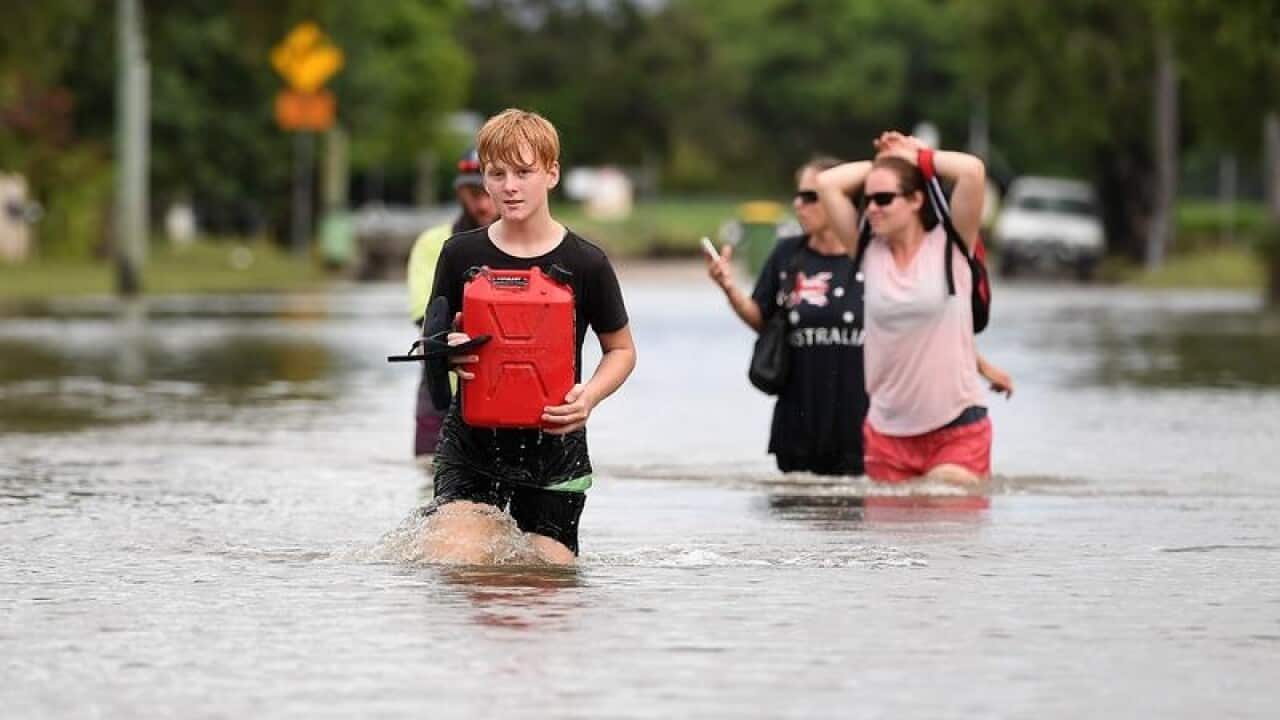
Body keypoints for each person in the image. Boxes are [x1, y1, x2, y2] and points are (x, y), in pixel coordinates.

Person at [423, 108, 637, 565]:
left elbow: (621, 350)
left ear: (552, 173)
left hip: (556, 456)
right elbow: (433, 342)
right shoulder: (459, 254)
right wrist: (449, 353)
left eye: (523, 172)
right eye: (496, 174)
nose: (509, 186)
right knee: (459, 565)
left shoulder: (587, 263)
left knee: (545, 585)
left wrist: (589, 397)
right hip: (470, 448)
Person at [817, 131, 1011, 487]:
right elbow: (827, 183)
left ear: (916, 200)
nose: (872, 207)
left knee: (942, 503)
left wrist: (918, 155)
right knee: (891, 542)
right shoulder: (866, 252)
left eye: (885, 198)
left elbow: (973, 171)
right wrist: (885, 162)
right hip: (887, 431)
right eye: (869, 199)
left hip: (956, 426)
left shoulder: (952, 245)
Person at [706, 157, 869, 476]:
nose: (798, 205)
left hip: (862, 424)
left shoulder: (872, 255)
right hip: (799, 422)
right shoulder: (787, 253)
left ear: (841, 200)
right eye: (797, 195)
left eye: (810, 196)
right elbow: (763, 320)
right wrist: (729, 288)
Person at [407, 149, 499, 460]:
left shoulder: (526, 247)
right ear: (460, 191)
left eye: (488, 192)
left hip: (503, 390)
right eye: (475, 193)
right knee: (427, 482)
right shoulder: (433, 244)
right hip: (441, 392)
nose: (484, 203)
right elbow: (427, 317)